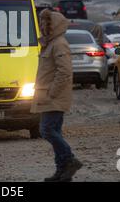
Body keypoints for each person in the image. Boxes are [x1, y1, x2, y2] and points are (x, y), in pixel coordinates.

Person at [31, 10, 82, 182]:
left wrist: (52, 92)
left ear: (53, 25)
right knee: (54, 131)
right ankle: (62, 172)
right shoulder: (50, 44)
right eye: (41, 24)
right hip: (48, 97)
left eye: (45, 24)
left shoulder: (59, 44)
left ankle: (69, 159)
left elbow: (65, 72)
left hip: (53, 97)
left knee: (46, 130)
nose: (42, 27)